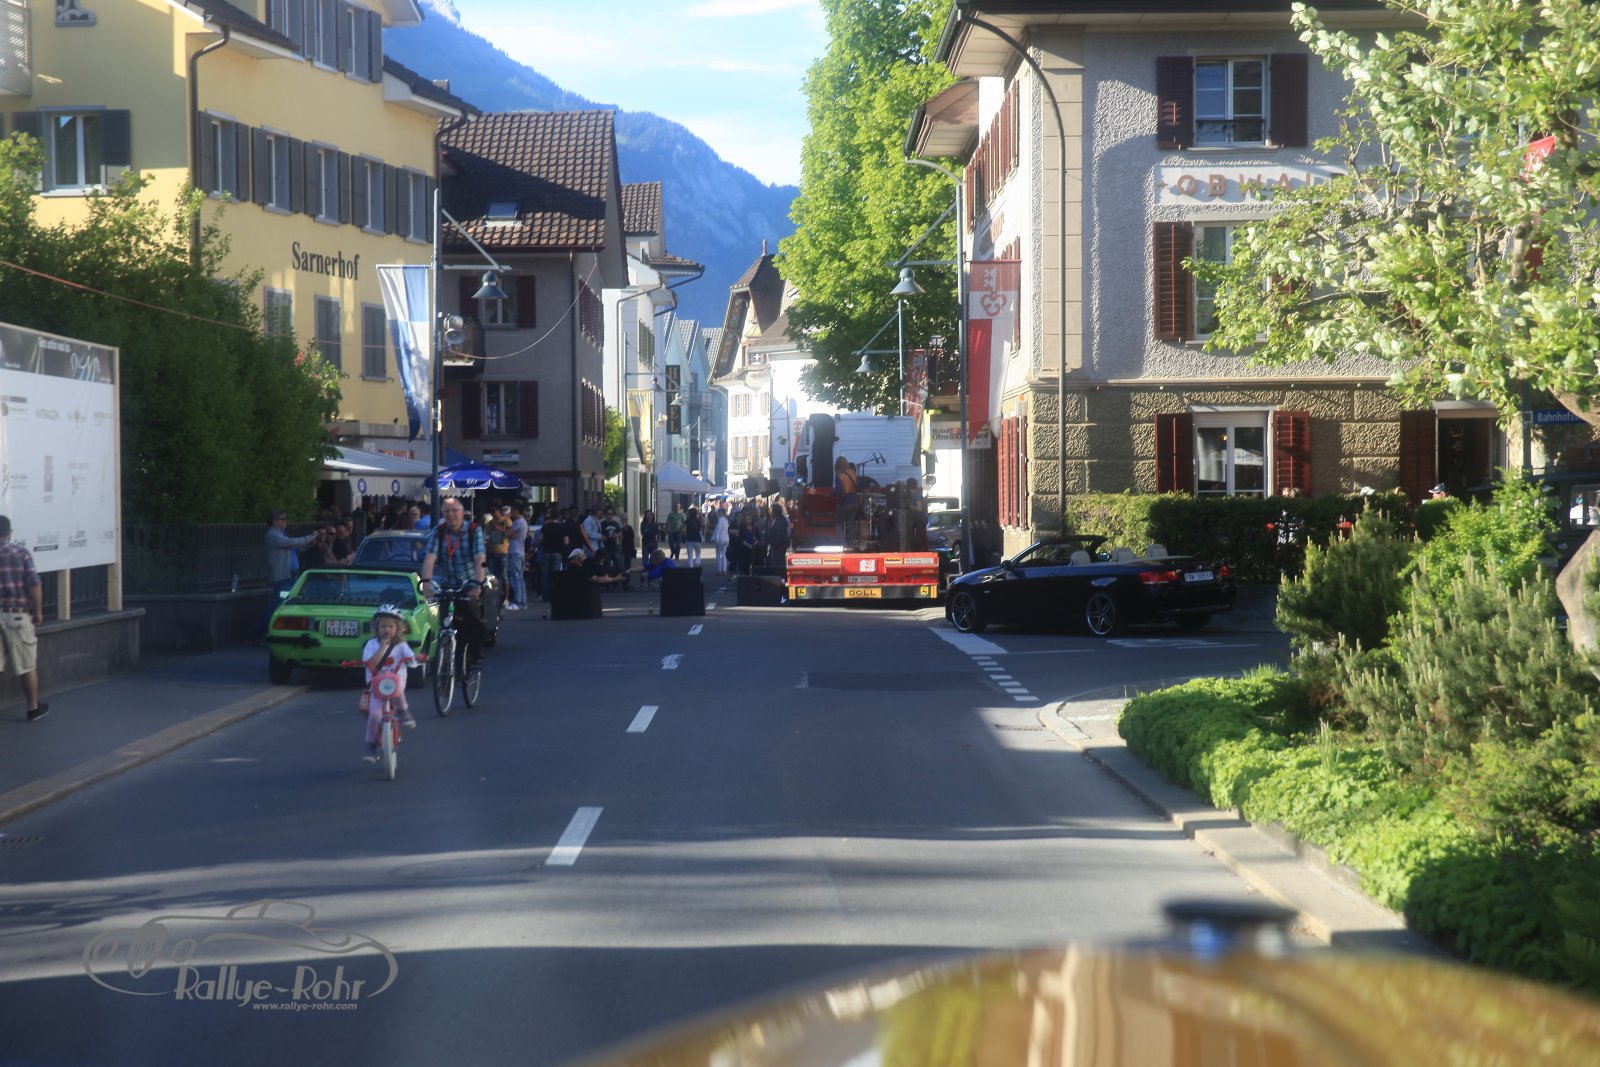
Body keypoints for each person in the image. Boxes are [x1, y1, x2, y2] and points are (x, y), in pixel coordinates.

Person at [419, 497, 488, 670]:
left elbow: (480, 559)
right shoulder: (438, 532)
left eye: (454, 511)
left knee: (472, 618)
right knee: (444, 621)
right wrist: (426, 584)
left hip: (469, 581)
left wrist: (477, 585)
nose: (451, 515)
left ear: (462, 512)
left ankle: (476, 654)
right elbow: (429, 559)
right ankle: (446, 658)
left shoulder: (473, 531)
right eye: (446, 511)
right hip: (447, 582)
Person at [0, 516, 48, 721]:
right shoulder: (21, 553)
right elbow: (34, 585)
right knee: (27, 665)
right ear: (9, 533)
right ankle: (33, 708)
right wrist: (38, 612)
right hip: (17, 616)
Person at [358, 606, 419, 762]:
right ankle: (370, 745)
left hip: (395, 683)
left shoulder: (401, 645)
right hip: (376, 686)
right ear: (377, 628)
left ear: (397, 628)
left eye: (391, 626)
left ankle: (403, 711)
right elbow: (371, 663)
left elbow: (411, 659)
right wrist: (383, 647)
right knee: (374, 715)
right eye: (383, 626)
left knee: (396, 687)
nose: (387, 630)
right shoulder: (371, 644)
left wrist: (414, 659)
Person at [257, 509, 320, 642]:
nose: (286, 521)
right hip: (282, 578)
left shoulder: (282, 535)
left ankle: (278, 632)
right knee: (277, 606)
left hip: (291, 576)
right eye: (283, 519)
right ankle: (258, 633)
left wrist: (309, 544)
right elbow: (292, 542)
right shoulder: (272, 535)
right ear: (274, 521)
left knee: (289, 605)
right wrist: (310, 537)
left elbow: (295, 548)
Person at [483, 504, 512, 590]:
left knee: (504, 575)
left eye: (494, 511)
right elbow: (487, 535)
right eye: (491, 512)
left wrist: (500, 529)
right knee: (492, 576)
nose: (492, 513)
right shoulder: (490, 523)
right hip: (492, 551)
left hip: (503, 552)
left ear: (499, 511)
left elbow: (511, 533)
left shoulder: (506, 521)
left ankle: (506, 595)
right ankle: (495, 593)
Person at [506, 503, 529, 611]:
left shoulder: (518, 522)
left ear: (516, 511)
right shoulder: (523, 522)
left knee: (515, 577)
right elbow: (511, 534)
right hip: (520, 552)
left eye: (513, 511)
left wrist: (510, 534)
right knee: (519, 577)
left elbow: (507, 534)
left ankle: (518, 601)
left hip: (515, 551)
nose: (511, 513)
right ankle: (523, 601)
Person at [833, 456, 859, 546]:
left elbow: (839, 490)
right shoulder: (853, 473)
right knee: (851, 524)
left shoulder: (839, 475)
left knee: (838, 523)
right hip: (854, 502)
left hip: (844, 503)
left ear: (837, 465)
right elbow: (857, 485)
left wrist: (833, 493)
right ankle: (851, 544)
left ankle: (843, 543)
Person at [711, 505, 731, 575]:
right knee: (724, 554)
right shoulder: (726, 520)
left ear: (721, 513)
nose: (718, 514)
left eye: (718, 513)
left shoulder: (720, 520)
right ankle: (724, 569)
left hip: (720, 539)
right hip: (726, 538)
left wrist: (716, 539)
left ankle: (719, 570)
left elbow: (718, 530)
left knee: (718, 554)